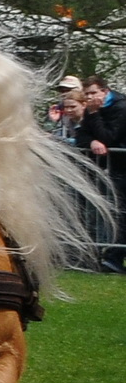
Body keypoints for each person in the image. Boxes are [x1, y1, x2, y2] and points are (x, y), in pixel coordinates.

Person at [77, 75, 126, 271]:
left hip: (122, 167)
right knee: (117, 212)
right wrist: (92, 142)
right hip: (115, 168)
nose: (90, 97)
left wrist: (95, 114)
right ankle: (112, 257)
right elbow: (82, 135)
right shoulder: (93, 110)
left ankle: (113, 257)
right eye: (86, 94)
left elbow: (110, 137)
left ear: (105, 92)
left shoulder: (120, 108)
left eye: (93, 93)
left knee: (121, 213)